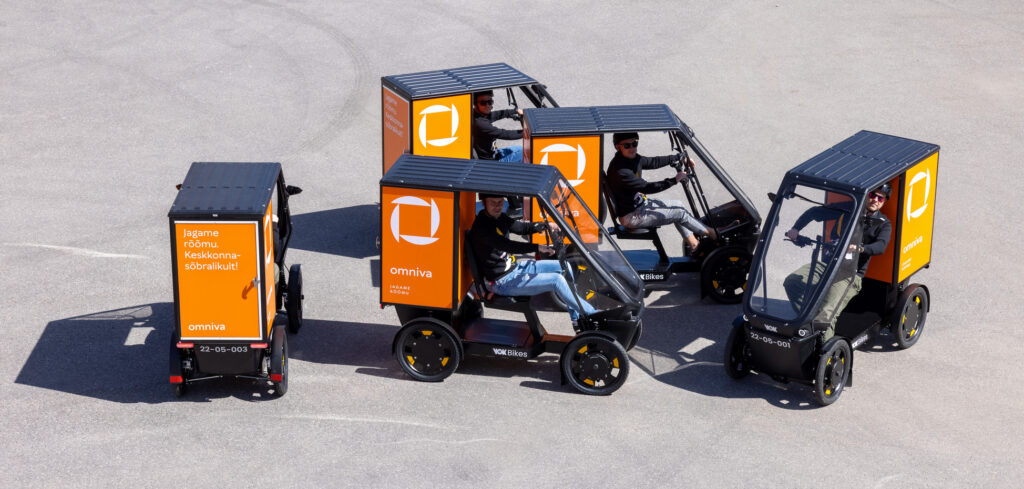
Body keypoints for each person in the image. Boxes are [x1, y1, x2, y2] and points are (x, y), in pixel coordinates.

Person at [783, 184, 893, 340]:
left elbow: (881, 246)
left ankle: (822, 349)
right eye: (873, 195)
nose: (875, 200)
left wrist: (860, 248)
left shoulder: (883, 223)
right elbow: (814, 212)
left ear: (884, 202)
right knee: (792, 282)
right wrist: (796, 229)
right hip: (827, 265)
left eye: (880, 198)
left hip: (850, 274)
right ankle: (810, 319)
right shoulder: (848, 209)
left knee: (825, 315)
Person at [469, 193, 596, 325]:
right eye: (493, 203)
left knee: (565, 266)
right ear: (483, 203)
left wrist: (544, 225)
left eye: (500, 202)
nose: (497, 206)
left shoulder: (500, 217)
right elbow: (509, 246)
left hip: (516, 268)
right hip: (502, 281)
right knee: (557, 280)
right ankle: (592, 314)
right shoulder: (482, 228)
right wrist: (538, 247)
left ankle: (576, 319)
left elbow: (520, 228)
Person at [605, 132, 715, 252]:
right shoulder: (621, 170)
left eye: (634, 144)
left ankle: (694, 245)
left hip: (639, 205)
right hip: (632, 216)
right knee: (678, 213)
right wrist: (674, 180)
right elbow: (647, 187)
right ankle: (712, 234)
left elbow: (653, 162)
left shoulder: (631, 158)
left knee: (678, 205)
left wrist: (678, 158)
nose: (632, 148)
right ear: (618, 147)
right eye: (627, 145)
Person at [472, 90, 524, 162]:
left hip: (495, 153)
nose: (488, 105)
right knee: (527, 153)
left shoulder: (477, 114)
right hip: (492, 161)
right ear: (475, 104)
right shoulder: (480, 123)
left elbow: (497, 114)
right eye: (483, 103)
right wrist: (527, 133)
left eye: (490, 102)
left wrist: (515, 111)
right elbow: (505, 134)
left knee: (520, 148)